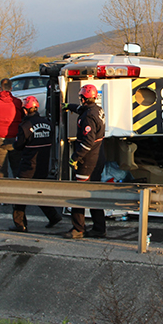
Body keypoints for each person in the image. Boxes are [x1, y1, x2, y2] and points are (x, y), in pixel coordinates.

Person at [10, 96, 64, 231]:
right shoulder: (48, 123)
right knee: (39, 193)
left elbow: (18, 145)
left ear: (25, 109)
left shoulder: (24, 126)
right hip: (42, 165)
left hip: (28, 165)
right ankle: (53, 216)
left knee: (18, 194)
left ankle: (20, 224)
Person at [64, 84, 107, 239]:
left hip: (88, 161)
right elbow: (83, 109)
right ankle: (99, 228)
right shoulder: (97, 110)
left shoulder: (88, 117)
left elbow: (87, 142)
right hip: (98, 158)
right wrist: (70, 107)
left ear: (83, 98)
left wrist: (75, 157)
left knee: (79, 194)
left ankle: (78, 229)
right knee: (93, 194)